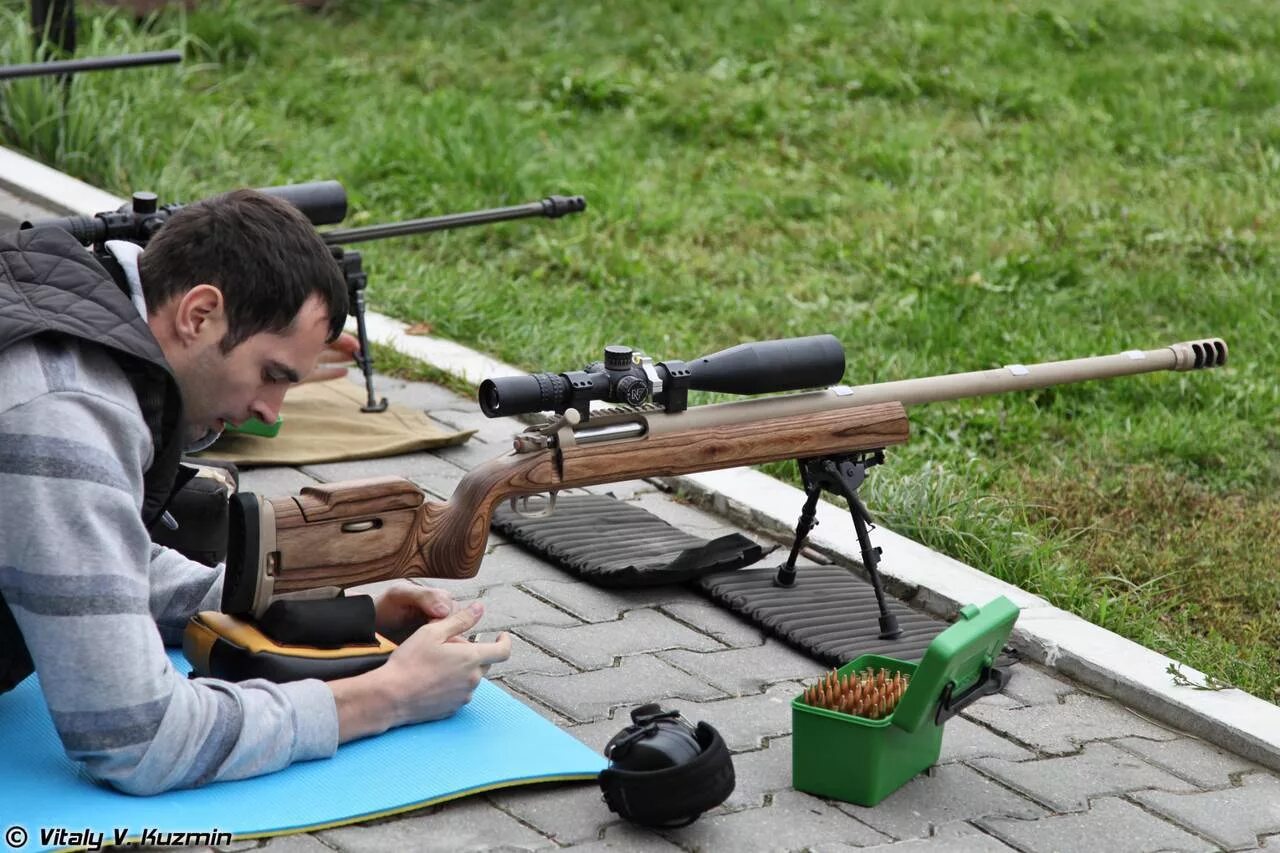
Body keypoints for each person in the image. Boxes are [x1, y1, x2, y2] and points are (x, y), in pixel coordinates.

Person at [0, 188, 510, 794]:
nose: (270, 414)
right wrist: (389, 695)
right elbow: (139, 741)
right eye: (272, 375)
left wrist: (318, 614)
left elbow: (88, 552)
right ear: (198, 314)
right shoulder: (66, 411)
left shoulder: (58, 291)